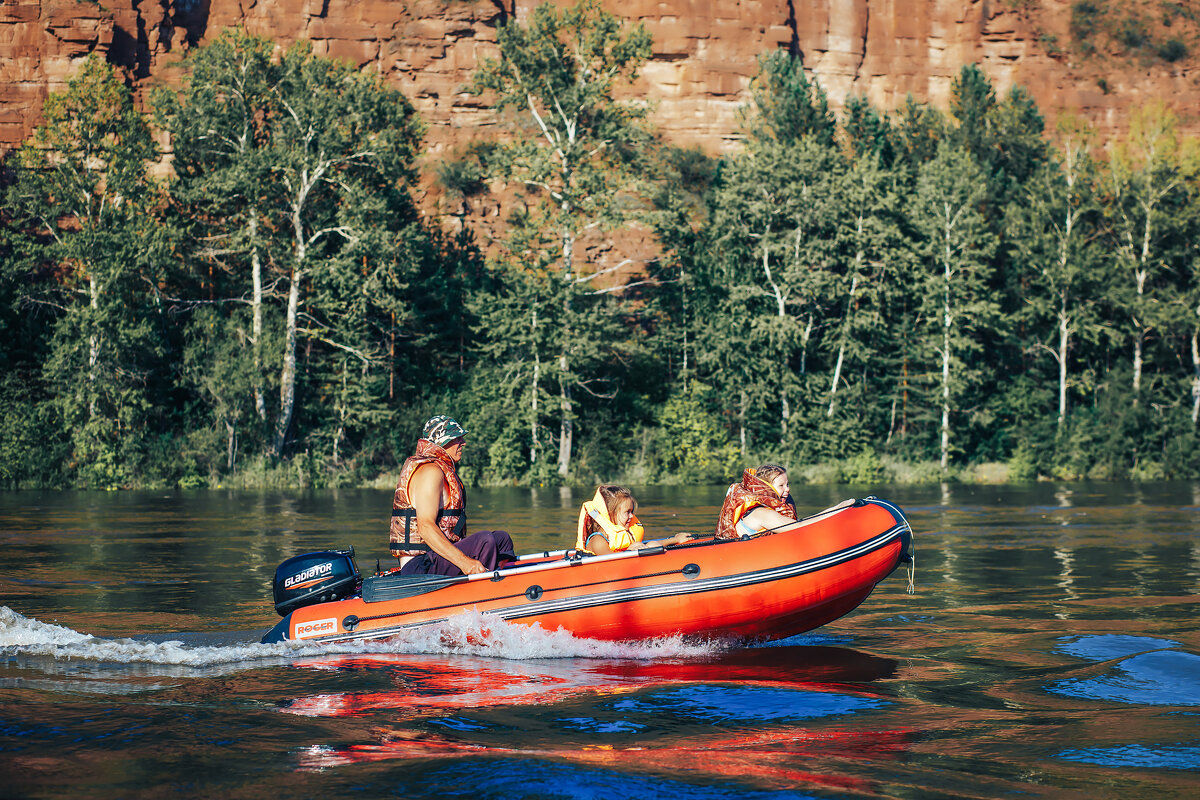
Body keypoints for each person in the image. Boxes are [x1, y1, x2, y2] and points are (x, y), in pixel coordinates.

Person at [389, 415, 515, 577]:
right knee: (484, 540)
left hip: (435, 559)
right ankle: (483, 591)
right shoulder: (430, 472)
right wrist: (465, 562)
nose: (463, 442)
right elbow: (425, 528)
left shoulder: (441, 470)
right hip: (420, 566)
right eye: (457, 438)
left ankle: (501, 582)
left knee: (501, 539)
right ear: (443, 442)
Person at [576, 485, 692, 555]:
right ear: (609, 514)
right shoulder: (598, 540)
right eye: (627, 512)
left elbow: (645, 544)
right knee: (644, 546)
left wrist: (675, 539)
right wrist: (630, 552)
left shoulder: (621, 537)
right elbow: (612, 563)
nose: (632, 517)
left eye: (632, 512)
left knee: (651, 544)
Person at [714, 464, 797, 540]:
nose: (787, 489)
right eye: (781, 485)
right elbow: (798, 526)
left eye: (787, 485)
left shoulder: (768, 509)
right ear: (766, 488)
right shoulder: (761, 513)